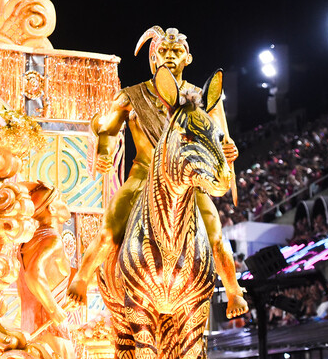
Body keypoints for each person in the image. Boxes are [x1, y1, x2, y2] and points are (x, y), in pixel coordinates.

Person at [70, 26, 248, 319]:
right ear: (153, 59)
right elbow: (108, 129)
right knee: (110, 230)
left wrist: (230, 151)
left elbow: (222, 138)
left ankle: (233, 289)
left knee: (214, 235)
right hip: (143, 174)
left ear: (187, 59)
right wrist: (103, 150)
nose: (168, 57)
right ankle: (83, 277)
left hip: (187, 180)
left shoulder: (199, 98)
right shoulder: (132, 95)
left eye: (176, 52)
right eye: (162, 52)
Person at [18, 184, 74, 359]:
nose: (65, 203)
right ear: (51, 208)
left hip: (31, 331)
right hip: (53, 334)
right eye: (59, 199)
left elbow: (56, 276)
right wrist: (54, 308)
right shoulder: (52, 241)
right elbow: (33, 274)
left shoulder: (27, 243)